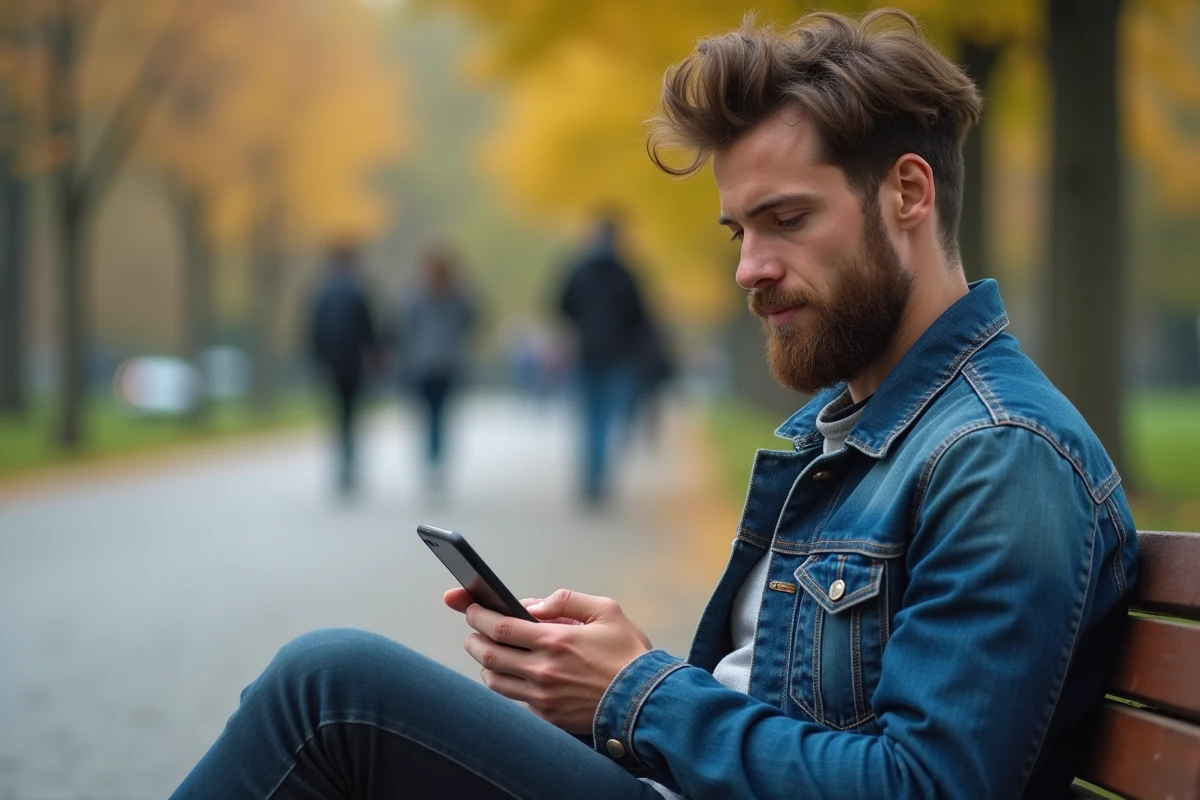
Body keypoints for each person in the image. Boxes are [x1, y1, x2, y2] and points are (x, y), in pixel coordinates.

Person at [172, 9, 1138, 799]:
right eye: (737, 231)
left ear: (908, 195)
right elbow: (791, 710)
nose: (751, 269)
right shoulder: (859, 432)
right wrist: (602, 680)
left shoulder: (1000, 454)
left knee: (332, 691)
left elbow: (926, 788)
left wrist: (638, 693)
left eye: (787, 221)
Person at [556, 213, 650, 506]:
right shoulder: (626, 273)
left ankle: (590, 479)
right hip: (619, 356)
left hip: (587, 352)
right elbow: (640, 315)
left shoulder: (578, 270)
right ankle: (599, 479)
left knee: (588, 419)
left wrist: (583, 326)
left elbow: (561, 305)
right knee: (608, 419)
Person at [393, 242, 479, 496]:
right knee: (435, 416)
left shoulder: (442, 295)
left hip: (434, 364)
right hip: (433, 365)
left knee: (434, 416)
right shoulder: (421, 295)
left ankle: (433, 461)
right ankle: (434, 461)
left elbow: (472, 318)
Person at [307, 242, 377, 496]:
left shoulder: (322, 291)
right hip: (353, 363)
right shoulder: (358, 290)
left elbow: (312, 329)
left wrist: (316, 358)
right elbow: (369, 328)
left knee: (338, 415)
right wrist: (375, 355)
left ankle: (343, 465)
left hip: (332, 362)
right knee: (351, 414)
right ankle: (348, 464)